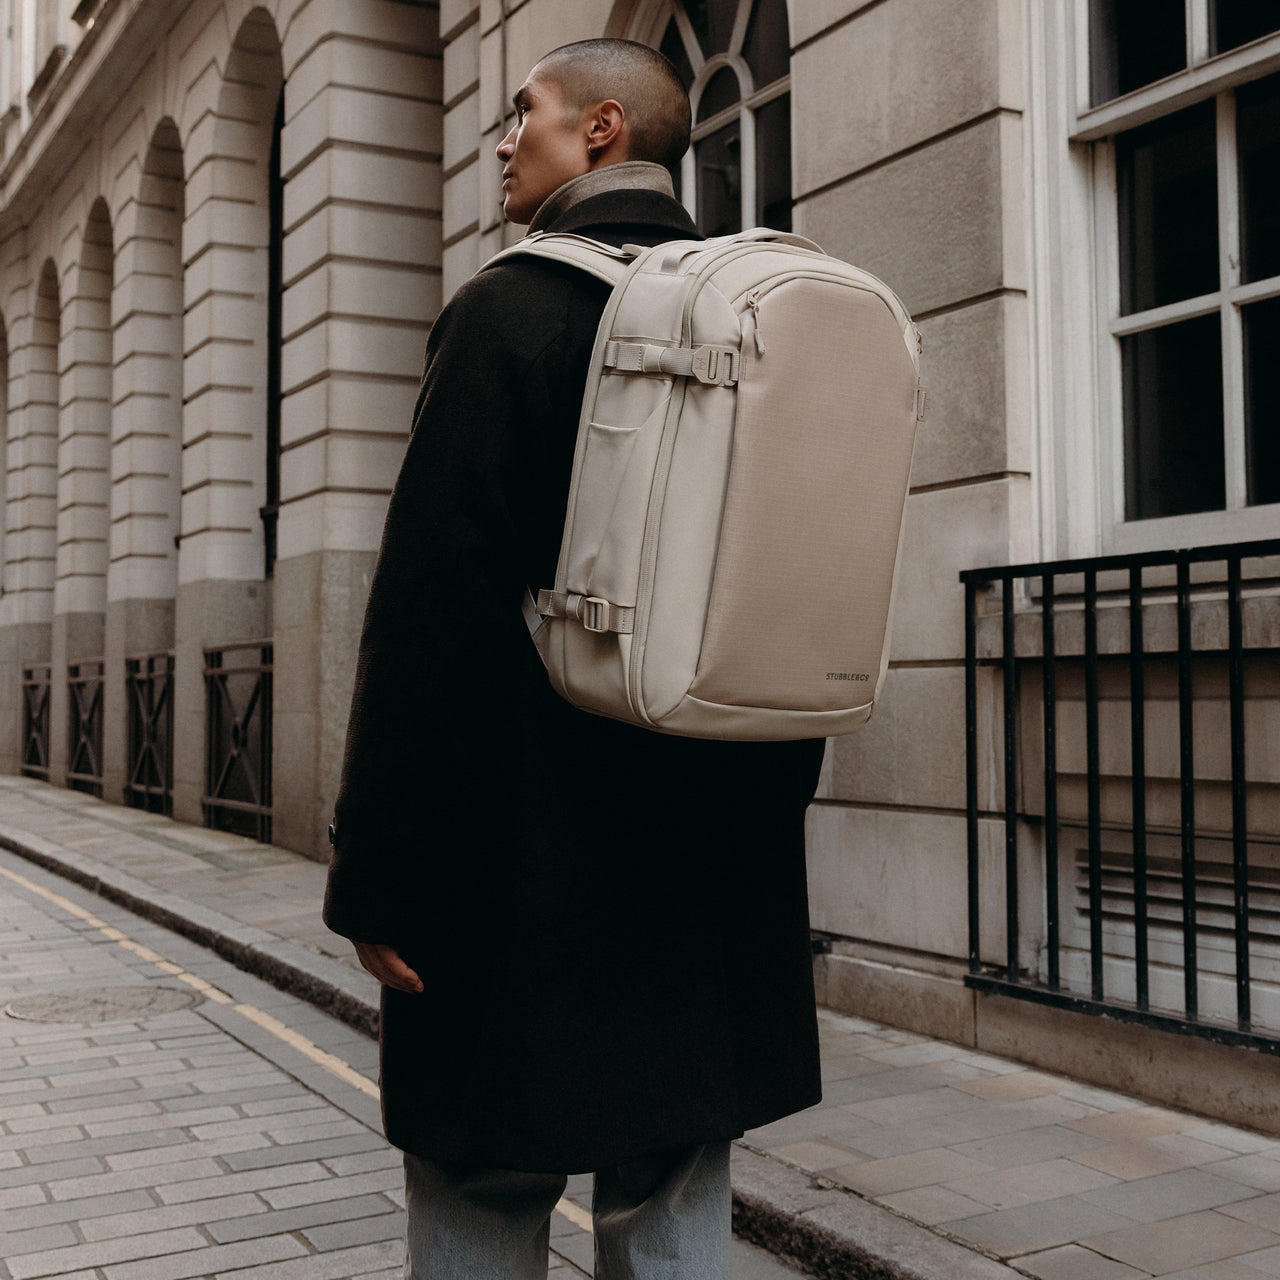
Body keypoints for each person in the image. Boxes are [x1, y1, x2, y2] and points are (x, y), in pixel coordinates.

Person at [324, 37, 826, 1280]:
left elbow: (431, 610)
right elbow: (805, 586)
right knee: (671, 1188)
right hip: (713, 846)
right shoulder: (763, 313)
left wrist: (378, 869)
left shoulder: (508, 310)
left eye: (525, 113)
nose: (504, 140)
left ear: (600, 129)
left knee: (479, 1178)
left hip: (518, 854)